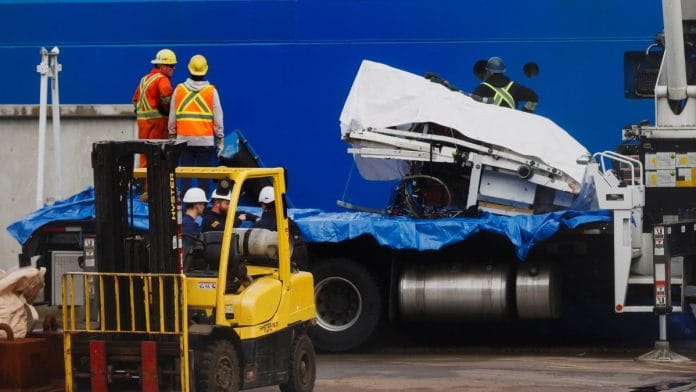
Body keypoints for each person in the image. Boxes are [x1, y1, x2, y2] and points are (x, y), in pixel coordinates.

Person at [169, 54, 224, 195]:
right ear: (205, 71)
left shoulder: (179, 89)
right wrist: (220, 140)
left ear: (189, 70)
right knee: (203, 178)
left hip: (183, 141)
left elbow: (172, 117)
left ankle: (187, 208)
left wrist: (173, 136)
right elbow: (218, 119)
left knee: (185, 177)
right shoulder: (211, 91)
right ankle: (203, 207)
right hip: (204, 142)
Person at [132, 49, 177, 167]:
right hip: (158, 126)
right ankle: (153, 186)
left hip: (143, 126)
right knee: (158, 159)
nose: (174, 68)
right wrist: (168, 114)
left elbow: (135, 101)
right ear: (163, 66)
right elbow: (168, 100)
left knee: (145, 158)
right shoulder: (162, 79)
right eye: (171, 65)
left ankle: (142, 185)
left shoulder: (144, 79)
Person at [473, 57, 538, 113]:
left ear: (486, 72)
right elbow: (534, 97)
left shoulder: (481, 89)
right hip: (513, 126)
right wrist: (524, 115)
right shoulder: (514, 87)